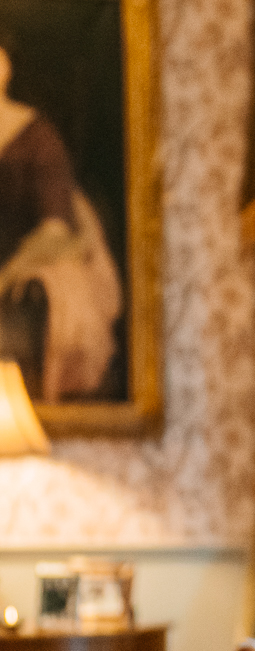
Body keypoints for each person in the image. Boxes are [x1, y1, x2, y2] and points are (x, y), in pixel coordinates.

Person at [0, 34, 122, 402]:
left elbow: (54, 230)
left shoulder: (37, 137)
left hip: (26, 266)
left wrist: (6, 274)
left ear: (5, 67)